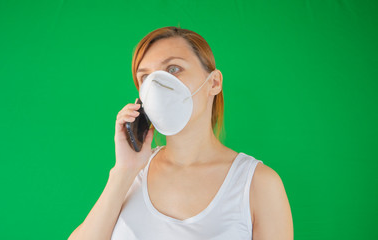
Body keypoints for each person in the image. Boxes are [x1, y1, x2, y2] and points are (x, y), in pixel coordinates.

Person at [68, 26, 293, 240]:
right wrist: (124, 171)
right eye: (146, 77)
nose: (157, 85)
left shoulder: (257, 184)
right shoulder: (132, 175)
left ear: (214, 82)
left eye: (173, 69)